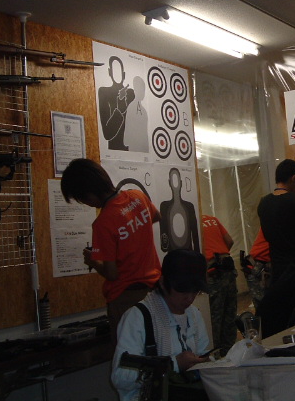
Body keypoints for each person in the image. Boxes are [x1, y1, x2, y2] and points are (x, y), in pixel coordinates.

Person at [61, 158, 161, 344]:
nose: (86, 203)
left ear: (88, 194)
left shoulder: (103, 223)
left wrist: (93, 261)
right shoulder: (137, 196)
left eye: (81, 199)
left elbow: (112, 274)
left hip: (125, 299)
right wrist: (134, 236)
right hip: (154, 291)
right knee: (157, 346)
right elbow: (156, 216)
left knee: (129, 354)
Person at [111, 249, 210, 401]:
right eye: (183, 290)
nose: (190, 298)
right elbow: (120, 377)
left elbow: (204, 353)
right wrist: (173, 364)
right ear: (163, 283)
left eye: (195, 291)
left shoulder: (194, 314)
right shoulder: (138, 317)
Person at [201, 214, 237, 357]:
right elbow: (229, 241)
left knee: (214, 315)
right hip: (227, 266)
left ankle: (215, 354)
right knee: (230, 311)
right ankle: (230, 352)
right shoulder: (211, 219)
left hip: (212, 270)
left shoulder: (192, 221)